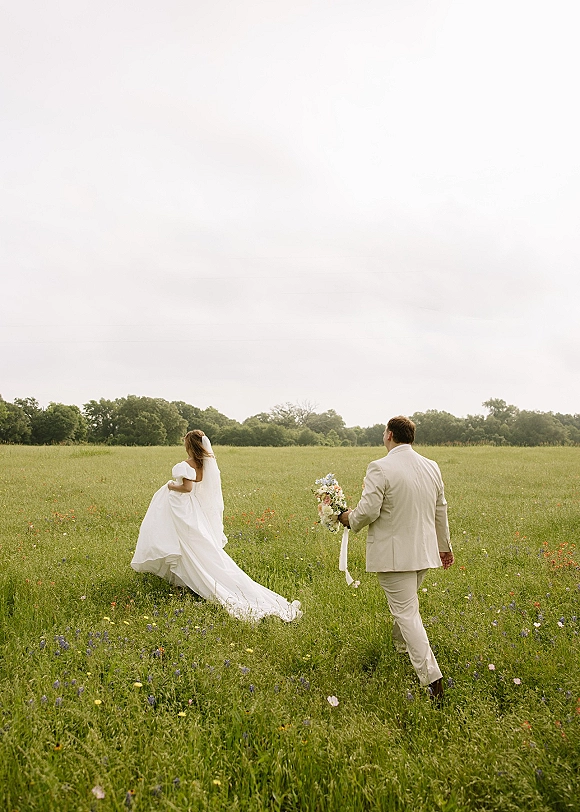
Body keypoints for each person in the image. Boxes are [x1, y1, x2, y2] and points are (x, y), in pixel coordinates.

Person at [131, 430, 302, 623]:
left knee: (183, 543)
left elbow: (186, 488)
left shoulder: (184, 465)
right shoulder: (203, 465)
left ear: (190, 445)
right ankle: (184, 579)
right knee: (193, 544)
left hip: (182, 508)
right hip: (192, 509)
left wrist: (171, 486)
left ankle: (193, 579)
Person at [338, 416, 453, 700]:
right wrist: (444, 546)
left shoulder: (380, 467)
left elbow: (367, 511)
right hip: (424, 552)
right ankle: (402, 649)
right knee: (407, 605)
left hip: (394, 556)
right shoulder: (431, 466)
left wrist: (345, 518)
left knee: (406, 612)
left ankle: (433, 680)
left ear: (389, 434)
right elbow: (441, 509)